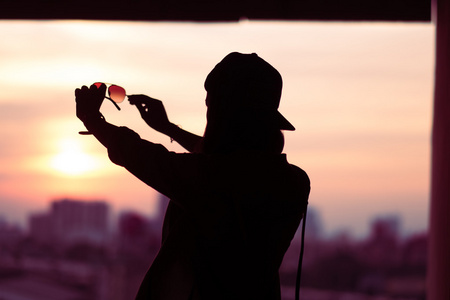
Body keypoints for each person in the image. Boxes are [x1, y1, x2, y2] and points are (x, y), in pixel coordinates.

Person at [75, 52, 310, 300]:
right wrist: (167, 127)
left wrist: (93, 120)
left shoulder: (213, 179)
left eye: (211, 106)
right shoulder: (294, 181)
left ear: (223, 116)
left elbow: (145, 157)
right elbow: (224, 161)